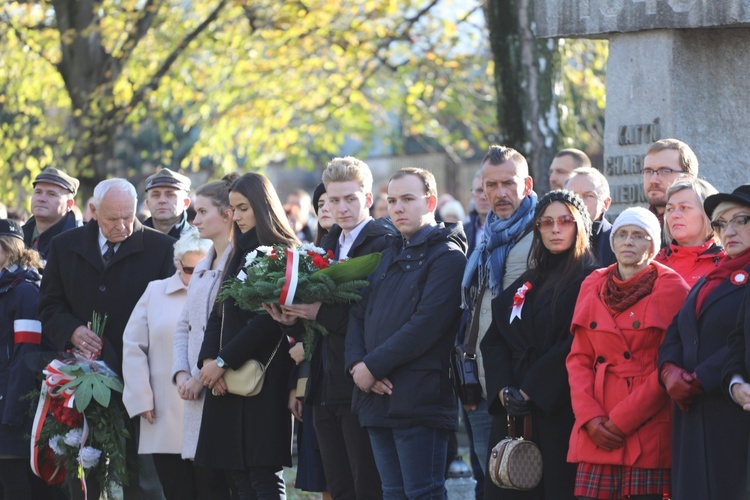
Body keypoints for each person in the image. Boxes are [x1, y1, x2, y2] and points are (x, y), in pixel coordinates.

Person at [38, 178, 176, 499]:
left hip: (141, 378)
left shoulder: (161, 249)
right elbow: (49, 305)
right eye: (113, 219)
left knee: (142, 474)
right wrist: (71, 329)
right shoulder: (64, 245)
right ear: (94, 211)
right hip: (82, 376)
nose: (123, 226)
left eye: (128, 216)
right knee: (83, 463)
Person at [266, 157, 390, 499]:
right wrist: (293, 318)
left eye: (350, 198)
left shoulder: (383, 242)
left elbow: (375, 314)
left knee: (366, 484)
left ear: (367, 198)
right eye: (334, 200)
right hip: (322, 380)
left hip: (359, 380)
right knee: (337, 486)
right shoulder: (328, 243)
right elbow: (314, 323)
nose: (342, 207)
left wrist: (318, 312)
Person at [345, 167, 467, 498]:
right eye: (393, 200)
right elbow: (358, 312)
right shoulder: (385, 254)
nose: (398, 208)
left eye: (408, 199)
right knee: (393, 492)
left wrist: (373, 366)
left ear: (430, 201)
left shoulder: (447, 256)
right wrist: (358, 365)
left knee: (422, 492)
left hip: (420, 396)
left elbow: (427, 324)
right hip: (375, 395)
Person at [566, 207, 689, 500]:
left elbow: (669, 362)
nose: (628, 241)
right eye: (621, 234)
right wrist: (589, 417)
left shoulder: (672, 287)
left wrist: (622, 420)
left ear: (654, 245)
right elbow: (579, 358)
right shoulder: (593, 282)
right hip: (597, 422)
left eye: (639, 235)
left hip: (646, 423)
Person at [481, 190, 597, 499]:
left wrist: (532, 388)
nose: (555, 229)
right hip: (514, 412)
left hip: (558, 409)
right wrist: (504, 388)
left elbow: (578, 341)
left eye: (565, 221)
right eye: (546, 223)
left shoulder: (593, 280)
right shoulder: (528, 281)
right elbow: (494, 341)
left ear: (580, 227)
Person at [195, 172, 298, 499]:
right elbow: (218, 311)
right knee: (237, 475)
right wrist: (210, 360)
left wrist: (224, 361)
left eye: (242, 208)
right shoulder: (239, 251)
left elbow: (267, 321)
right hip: (225, 379)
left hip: (262, 378)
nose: (235, 216)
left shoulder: (280, 252)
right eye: (233, 209)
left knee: (262, 474)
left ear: (261, 207)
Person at [658, 183, 750, 499]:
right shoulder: (713, 277)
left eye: (741, 220)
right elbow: (677, 330)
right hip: (691, 415)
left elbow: (739, 341)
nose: (729, 230)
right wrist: (669, 371)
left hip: (730, 413)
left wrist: (701, 378)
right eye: (722, 223)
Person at [460, 145, 537, 476]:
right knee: (489, 479)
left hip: (522, 381)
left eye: (508, 183)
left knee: (524, 479)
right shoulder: (485, 238)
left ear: (528, 185)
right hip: (480, 377)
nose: (500, 193)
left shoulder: (544, 233)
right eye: (491, 185)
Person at [122, 228, 210, 500]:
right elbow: (133, 346)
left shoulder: (219, 293)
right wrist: (140, 399)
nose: (194, 278)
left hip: (210, 411)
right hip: (163, 411)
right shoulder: (155, 291)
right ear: (176, 264)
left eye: (202, 270)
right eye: (188, 269)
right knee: (175, 491)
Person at [170, 175, 237, 500]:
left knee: (232, 484)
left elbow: (229, 328)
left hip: (224, 385)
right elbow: (185, 326)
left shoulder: (239, 261)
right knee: (207, 484)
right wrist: (182, 373)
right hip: (197, 388)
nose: (194, 220)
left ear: (227, 214)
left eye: (202, 212)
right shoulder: (201, 265)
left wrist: (202, 376)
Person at [0, 220, 43, 499]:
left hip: (10, 408)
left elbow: (27, 355)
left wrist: (12, 411)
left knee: (13, 483)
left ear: (8, 250)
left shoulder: (24, 291)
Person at [655, 178, 724, 287]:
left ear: (708, 213)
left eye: (684, 208)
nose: (674, 215)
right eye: (670, 209)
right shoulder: (653, 264)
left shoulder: (727, 264)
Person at [22, 167, 82, 261]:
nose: (41, 199)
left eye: (51, 194)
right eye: (38, 192)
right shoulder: (18, 237)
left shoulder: (79, 242)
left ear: (69, 204)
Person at [565, 167, 616, 267]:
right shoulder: (555, 236)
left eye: (588, 195)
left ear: (605, 204)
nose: (579, 202)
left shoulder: (616, 242)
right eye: (572, 195)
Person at [642, 139, 698, 227]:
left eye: (665, 171)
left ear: (688, 178)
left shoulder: (706, 230)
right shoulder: (635, 230)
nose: (653, 180)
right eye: (648, 171)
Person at [143, 168, 193, 238]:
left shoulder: (201, 243)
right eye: (155, 195)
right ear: (148, 203)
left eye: (170, 195)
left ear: (185, 203)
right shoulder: (133, 239)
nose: (162, 200)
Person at [466, 169, 492, 258]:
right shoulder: (463, 232)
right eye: (479, 191)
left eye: (487, 190)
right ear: (473, 195)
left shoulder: (508, 230)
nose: (483, 197)